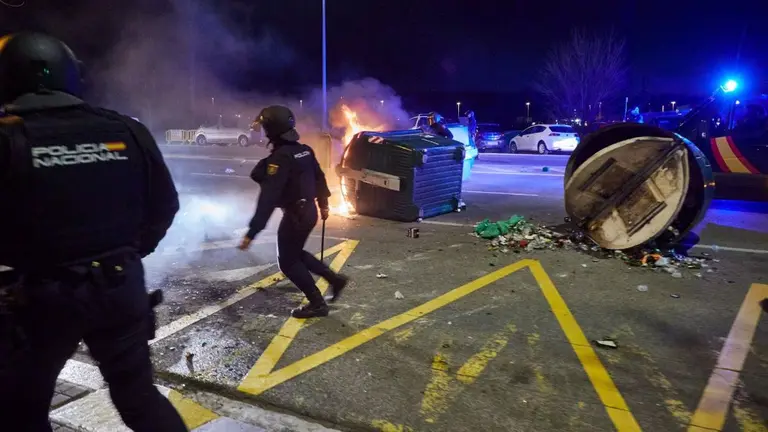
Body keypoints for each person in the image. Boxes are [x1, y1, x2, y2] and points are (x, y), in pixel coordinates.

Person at [0, 32, 186, 431]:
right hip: (121, 288)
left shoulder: (8, 137)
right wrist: (130, 251)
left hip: (42, 300)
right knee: (138, 398)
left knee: (21, 409)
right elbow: (165, 205)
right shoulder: (127, 130)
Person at [239, 105, 348, 319]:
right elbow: (319, 178)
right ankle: (335, 280)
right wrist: (324, 204)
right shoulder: (304, 150)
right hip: (309, 211)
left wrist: (252, 232)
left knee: (287, 262)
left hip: (296, 216)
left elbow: (268, 198)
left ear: (271, 130)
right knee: (295, 253)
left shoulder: (279, 159)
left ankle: (317, 303)